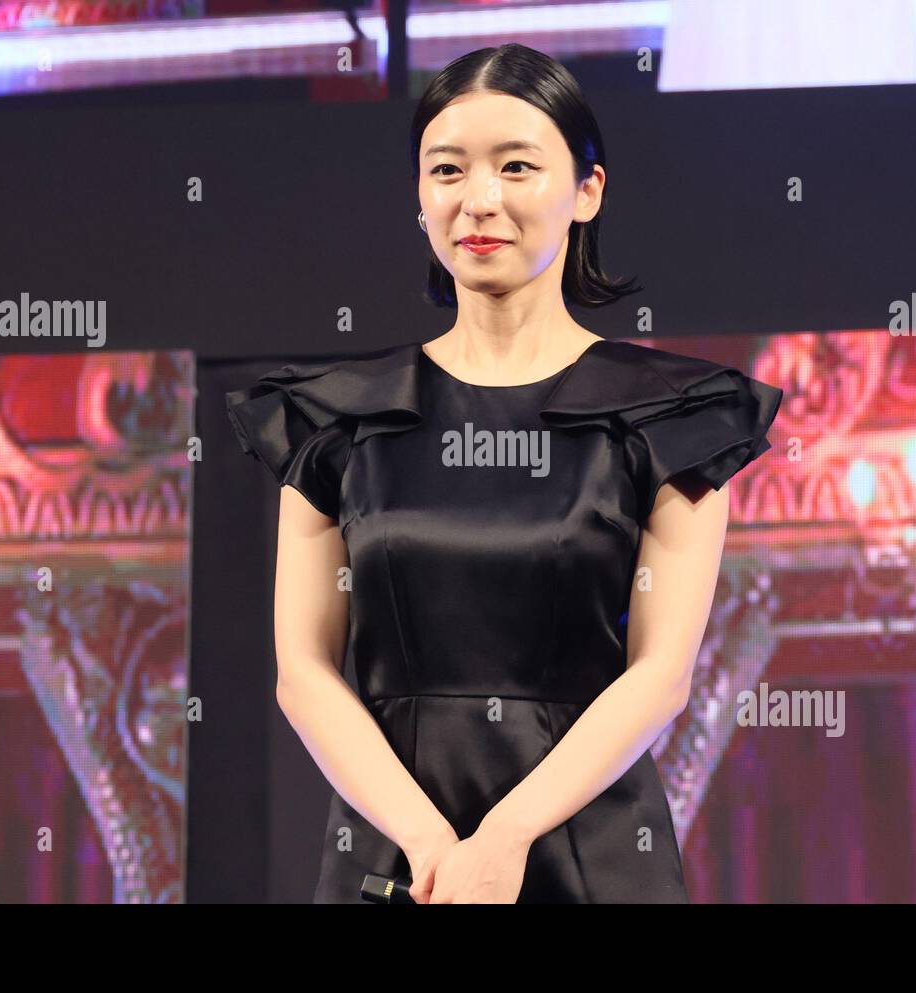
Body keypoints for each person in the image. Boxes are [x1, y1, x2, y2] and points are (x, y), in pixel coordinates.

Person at [226, 43, 783, 904]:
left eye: (516, 165)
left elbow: (660, 674)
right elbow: (303, 670)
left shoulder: (669, 413)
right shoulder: (335, 417)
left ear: (587, 190)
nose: (478, 199)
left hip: (588, 852)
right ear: (419, 194)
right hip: (394, 857)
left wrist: (509, 836)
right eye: (446, 169)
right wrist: (429, 846)